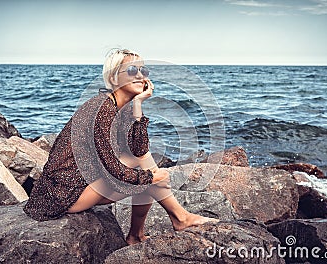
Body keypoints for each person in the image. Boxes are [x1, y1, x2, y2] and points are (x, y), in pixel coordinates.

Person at [24, 48, 215, 245]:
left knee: (142, 166)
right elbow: (110, 166)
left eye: (144, 71)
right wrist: (151, 177)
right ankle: (180, 218)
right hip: (63, 194)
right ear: (114, 78)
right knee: (146, 176)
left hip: (82, 185)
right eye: (132, 70)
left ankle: (136, 236)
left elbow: (139, 150)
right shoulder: (102, 107)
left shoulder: (121, 107)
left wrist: (138, 104)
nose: (140, 75)